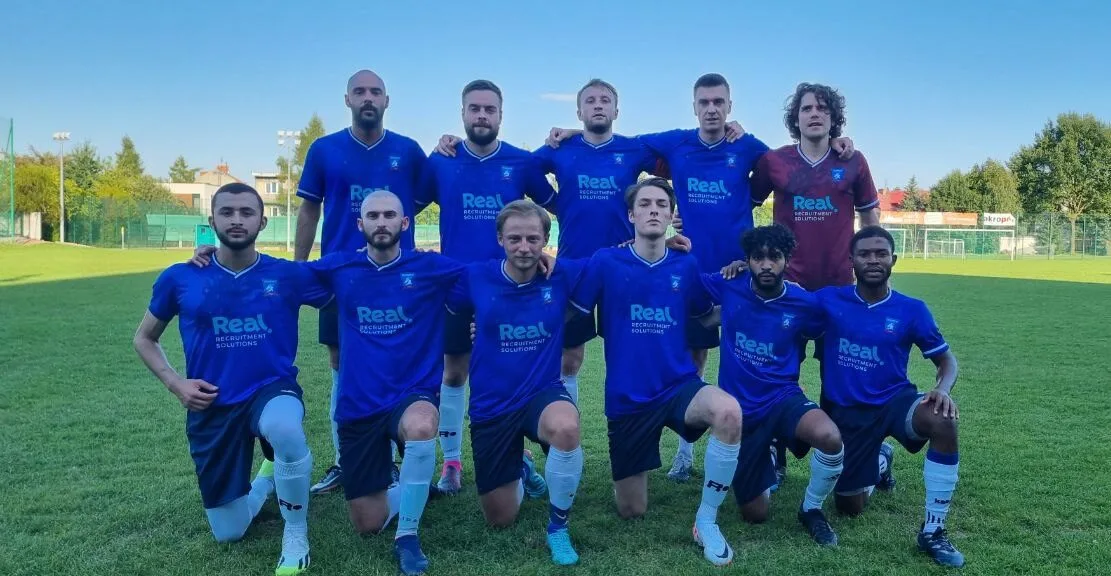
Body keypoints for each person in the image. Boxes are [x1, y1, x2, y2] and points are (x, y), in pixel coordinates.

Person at [546, 74, 855, 483]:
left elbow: (789, 161)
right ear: (694, 107)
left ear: (730, 106)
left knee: (754, 357)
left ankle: (750, 448)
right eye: (704, 102)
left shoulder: (747, 147)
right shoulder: (676, 142)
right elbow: (626, 143)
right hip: (685, 265)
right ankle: (663, 448)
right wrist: (576, 133)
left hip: (736, 274)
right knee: (671, 352)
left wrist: (834, 142)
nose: (712, 108)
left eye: (719, 102)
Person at [133, 183, 328, 575]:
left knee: (285, 429)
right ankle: (268, 479)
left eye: (245, 212)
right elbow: (144, 339)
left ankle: (296, 531)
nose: (236, 220)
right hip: (212, 401)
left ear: (263, 221)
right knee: (229, 531)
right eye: (227, 212)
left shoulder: (287, 275)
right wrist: (177, 384)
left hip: (271, 389)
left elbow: (359, 284)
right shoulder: (180, 278)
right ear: (212, 222)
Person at [433, 78, 664, 407]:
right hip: (572, 266)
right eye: (590, 101)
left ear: (617, 109)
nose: (598, 105)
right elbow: (520, 167)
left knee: (632, 350)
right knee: (568, 359)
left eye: (604, 100)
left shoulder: (634, 148)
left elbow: (675, 161)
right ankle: (563, 440)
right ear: (579, 109)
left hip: (622, 266)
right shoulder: (558, 151)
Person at [569, 177, 743, 567]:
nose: (652, 210)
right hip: (628, 400)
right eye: (644, 204)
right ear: (630, 215)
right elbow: (570, 310)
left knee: (729, 412)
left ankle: (707, 520)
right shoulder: (605, 261)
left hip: (679, 387)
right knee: (632, 510)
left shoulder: (686, 263)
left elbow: (707, 314)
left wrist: (746, 304)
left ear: (670, 214)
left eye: (660, 204)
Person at [416, 79, 557, 496]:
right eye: (474, 109)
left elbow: (556, 207)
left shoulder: (521, 161)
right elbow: (405, 209)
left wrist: (549, 251)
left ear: (500, 114)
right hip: (458, 288)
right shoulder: (441, 160)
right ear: (462, 114)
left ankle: (518, 456)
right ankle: (453, 463)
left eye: (489, 109)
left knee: (510, 372)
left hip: (513, 289)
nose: (482, 116)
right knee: (454, 372)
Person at [294, 69, 428, 495]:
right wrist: (300, 269)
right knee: (341, 368)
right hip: (343, 281)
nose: (367, 98)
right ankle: (346, 460)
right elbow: (309, 212)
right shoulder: (324, 150)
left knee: (398, 363)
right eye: (359, 92)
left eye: (375, 92)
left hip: (397, 281)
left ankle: (403, 458)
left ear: (387, 100)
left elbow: (428, 194)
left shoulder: (408, 152)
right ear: (347, 100)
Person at [749, 83, 880, 489]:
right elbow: (743, 203)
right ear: (796, 118)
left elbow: (870, 218)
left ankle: (841, 452)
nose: (814, 114)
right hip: (789, 287)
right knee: (778, 370)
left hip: (839, 288)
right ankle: (777, 450)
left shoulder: (853, 161)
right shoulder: (774, 161)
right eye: (807, 108)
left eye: (822, 108)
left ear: (833, 117)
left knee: (839, 375)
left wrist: (870, 265)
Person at [446, 200, 585, 565]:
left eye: (532, 239)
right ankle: (521, 469)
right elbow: (444, 306)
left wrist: (673, 240)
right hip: (492, 402)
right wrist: (476, 328)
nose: (524, 247)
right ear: (499, 239)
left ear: (545, 240)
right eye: (515, 239)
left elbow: (616, 261)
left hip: (542, 392)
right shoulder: (474, 276)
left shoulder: (562, 275)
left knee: (567, 427)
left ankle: (558, 527)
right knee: (499, 518)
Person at [817, 226, 964, 567]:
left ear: (893, 259)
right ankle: (881, 460)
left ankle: (933, 530)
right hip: (848, 413)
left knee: (943, 420)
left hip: (895, 402)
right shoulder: (827, 300)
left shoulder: (911, 309)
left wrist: (941, 390)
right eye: (865, 254)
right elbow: (780, 295)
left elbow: (946, 360)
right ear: (851, 260)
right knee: (849, 507)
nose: (873, 260)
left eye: (880, 253)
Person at [699, 224, 844, 546]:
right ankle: (765, 452)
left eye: (774, 257)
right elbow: (686, 280)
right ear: (747, 260)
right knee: (756, 514)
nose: (766, 264)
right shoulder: (730, 285)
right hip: (740, 412)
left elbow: (825, 330)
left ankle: (812, 509)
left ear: (786, 259)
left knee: (829, 437)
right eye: (757, 257)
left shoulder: (805, 303)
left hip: (783, 398)